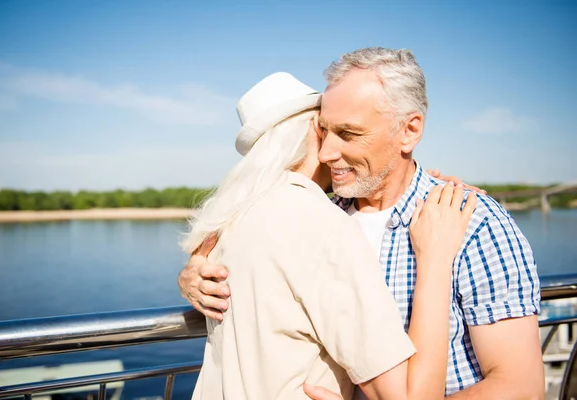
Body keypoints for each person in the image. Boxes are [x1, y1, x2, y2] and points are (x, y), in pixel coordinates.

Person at [178, 47, 544, 399]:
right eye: (324, 131)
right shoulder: (319, 217)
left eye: (348, 134)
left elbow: (520, 389)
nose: (326, 152)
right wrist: (195, 272)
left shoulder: (473, 224)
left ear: (410, 131)